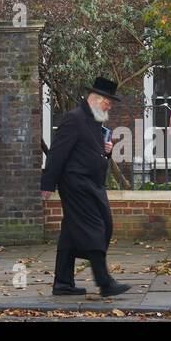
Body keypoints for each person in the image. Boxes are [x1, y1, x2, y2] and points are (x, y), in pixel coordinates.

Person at [40, 76, 132, 298]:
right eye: (108, 101)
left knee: (74, 232)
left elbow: (91, 153)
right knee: (95, 229)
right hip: (76, 185)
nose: (110, 106)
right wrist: (47, 183)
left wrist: (107, 152)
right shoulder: (74, 118)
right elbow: (57, 154)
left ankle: (62, 283)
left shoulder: (94, 121)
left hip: (92, 185)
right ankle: (105, 283)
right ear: (95, 98)